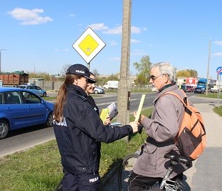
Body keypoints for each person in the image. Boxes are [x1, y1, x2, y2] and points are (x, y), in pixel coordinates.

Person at [53, 63, 138, 191]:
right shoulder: (79, 103)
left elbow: (75, 128)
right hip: (84, 171)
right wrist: (129, 128)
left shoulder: (62, 99)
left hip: (70, 167)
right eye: (87, 80)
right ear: (76, 79)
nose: (89, 83)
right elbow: (104, 134)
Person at [128, 62, 188, 191]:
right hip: (174, 151)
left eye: (153, 77)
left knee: (135, 184)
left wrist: (144, 120)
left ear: (165, 77)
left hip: (159, 157)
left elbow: (168, 130)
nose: (150, 81)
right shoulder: (178, 93)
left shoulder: (166, 99)